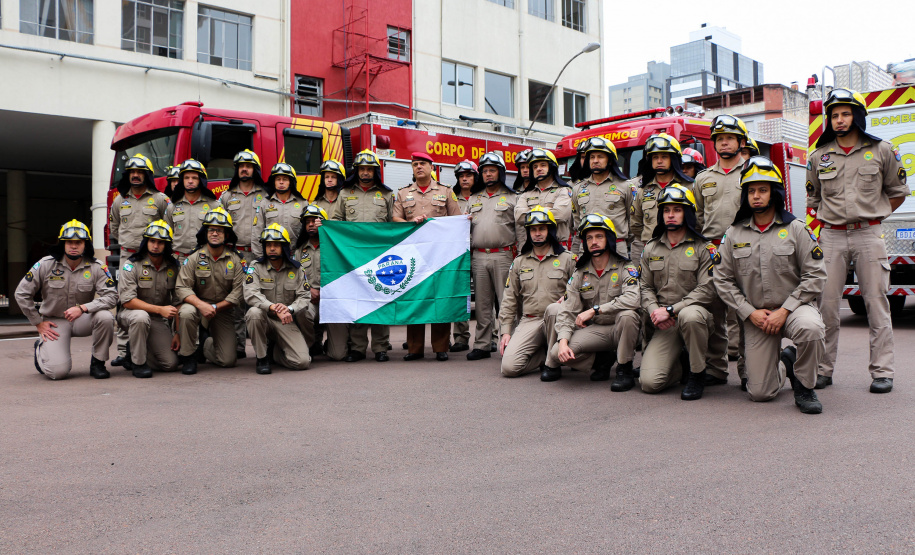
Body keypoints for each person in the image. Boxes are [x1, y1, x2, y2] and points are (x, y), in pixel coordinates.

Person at [807, 88, 909, 393]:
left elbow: (897, 192)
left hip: (868, 235)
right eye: (834, 115)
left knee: (877, 304)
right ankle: (823, 370)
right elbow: (813, 198)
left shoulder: (882, 151)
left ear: (857, 115)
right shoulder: (818, 156)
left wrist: (873, 217)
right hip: (832, 236)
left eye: (845, 113)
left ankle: (882, 372)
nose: (839, 120)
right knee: (826, 306)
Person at [715, 157, 826, 413]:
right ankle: (787, 362)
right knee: (760, 393)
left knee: (811, 328)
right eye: (751, 190)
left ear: (774, 193)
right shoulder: (733, 234)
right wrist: (748, 312)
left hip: (794, 309)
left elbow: (816, 275)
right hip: (757, 316)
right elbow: (722, 279)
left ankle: (805, 387)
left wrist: (785, 310)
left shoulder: (796, 229)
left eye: (763, 190)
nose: (756, 196)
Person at [543, 214, 640, 388]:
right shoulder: (580, 272)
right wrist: (563, 342)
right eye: (589, 238)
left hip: (622, 329)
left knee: (628, 315)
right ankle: (600, 360)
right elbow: (567, 310)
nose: (593, 241)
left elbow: (633, 298)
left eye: (599, 236)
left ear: (609, 238)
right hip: (597, 332)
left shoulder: (626, 267)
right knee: (558, 353)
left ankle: (624, 369)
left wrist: (595, 310)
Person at [638, 185, 717, 399]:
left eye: (677, 210)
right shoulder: (651, 248)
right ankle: (680, 363)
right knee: (649, 383)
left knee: (689, 315)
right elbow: (644, 287)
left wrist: (672, 310)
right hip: (665, 322)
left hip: (695, 318)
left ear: (687, 212)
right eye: (666, 210)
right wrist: (656, 311)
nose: (670, 215)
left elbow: (707, 290)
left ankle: (697, 374)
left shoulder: (704, 248)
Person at [15, 220, 117, 380]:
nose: (74, 246)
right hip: (55, 322)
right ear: (62, 243)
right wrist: (37, 323)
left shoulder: (97, 266)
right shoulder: (45, 264)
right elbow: (21, 293)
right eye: (69, 242)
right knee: (57, 372)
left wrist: (83, 308)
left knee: (105, 317)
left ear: (86, 244)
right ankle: (41, 349)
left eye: (78, 242)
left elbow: (112, 296)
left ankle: (98, 362)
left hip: (83, 318)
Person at [692, 114, 750, 388]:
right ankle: (716, 368)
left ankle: (749, 370)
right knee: (714, 310)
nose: (724, 143)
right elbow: (699, 217)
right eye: (719, 139)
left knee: (745, 310)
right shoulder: (703, 178)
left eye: (730, 138)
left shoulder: (754, 171)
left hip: (747, 248)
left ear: (740, 141)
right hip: (713, 250)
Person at [393, 152, 463, 361]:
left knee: (439, 298)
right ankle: (414, 349)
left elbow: (457, 220)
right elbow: (395, 218)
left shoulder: (446, 191)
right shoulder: (403, 193)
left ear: (432, 167)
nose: (418, 167)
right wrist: (410, 221)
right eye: (415, 164)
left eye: (422, 163)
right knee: (415, 299)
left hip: (440, 254)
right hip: (413, 254)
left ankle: (441, 347)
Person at [332, 149, 395, 362]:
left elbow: (392, 225)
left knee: (380, 299)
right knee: (357, 300)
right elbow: (338, 222)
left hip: (379, 257)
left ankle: (380, 347)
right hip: (353, 257)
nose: (366, 172)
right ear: (356, 170)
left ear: (375, 171)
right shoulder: (345, 193)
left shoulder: (387, 194)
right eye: (362, 169)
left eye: (370, 169)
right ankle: (358, 348)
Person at [499, 206, 577, 378]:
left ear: (550, 230)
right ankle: (546, 356)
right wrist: (505, 331)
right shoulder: (519, 262)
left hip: (559, 320)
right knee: (509, 368)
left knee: (554, 311)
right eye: (533, 230)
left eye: (542, 228)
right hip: (531, 321)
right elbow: (509, 298)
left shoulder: (568, 259)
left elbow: (580, 294)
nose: (537, 233)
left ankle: (554, 359)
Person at [108, 153, 169, 367]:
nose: (135, 175)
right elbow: (115, 227)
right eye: (132, 172)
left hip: (152, 255)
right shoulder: (119, 199)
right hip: (128, 255)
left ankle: (150, 347)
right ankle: (125, 351)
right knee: (126, 302)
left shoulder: (160, 199)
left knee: (155, 296)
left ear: (147, 175)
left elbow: (167, 225)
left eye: (140, 172)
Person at [175, 207, 246, 374]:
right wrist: (201, 305)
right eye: (211, 230)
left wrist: (215, 308)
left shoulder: (236, 260)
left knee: (228, 361)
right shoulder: (193, 258)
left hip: (222, 310)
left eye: (219, 230)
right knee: (186, 312)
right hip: (197, 308)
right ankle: (189, 356)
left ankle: (205, 344)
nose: (215, 233)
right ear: (205, 233)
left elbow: (238, 293)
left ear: (226, 234)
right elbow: (182, 287)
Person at [465, 152, 517, 361]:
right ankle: (483, 344)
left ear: (500, 173)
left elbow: (520, 229)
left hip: (503, 256)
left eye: (492, 170)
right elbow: (466, 229)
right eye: (485, 171)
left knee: (507, 302)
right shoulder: (473, 198)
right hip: (478, 256)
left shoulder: (513, 198)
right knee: (483, 304)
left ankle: (511, 343)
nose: (488, 174)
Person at [219, 149, 268, 358]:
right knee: (236, 302)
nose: (244, 169)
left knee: (259, 300)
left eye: (248, 166)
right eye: (241, 166)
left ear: (254, 169)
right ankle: (238, 347)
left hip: (259, 255)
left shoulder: (266, 195)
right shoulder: (227, 197)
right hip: (235, 256)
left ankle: (263, 348)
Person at [245, 223, 312, 374]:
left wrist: (289, 309)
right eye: (268, 245)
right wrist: (273, 307)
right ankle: (262, 358)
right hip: (265, 318)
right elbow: (251, 293)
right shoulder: (255, 266)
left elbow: (304, 296)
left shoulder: (297, 268)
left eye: (276, 244)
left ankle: (275, 354)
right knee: (253, 313)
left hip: (286, 320)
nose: (272, 248)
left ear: (285, 247)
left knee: (302, 362)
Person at [117, 220, 180, 378]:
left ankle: (134, 353)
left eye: (160, 242)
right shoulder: (132, 265)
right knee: (141, 317)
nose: (156, 246)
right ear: (146, 242)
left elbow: (178, 302)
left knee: (170, 364)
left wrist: (177, 333)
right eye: (152, 241)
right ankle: (138, 364)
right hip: (130, 315)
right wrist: (160, 309)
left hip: (156, 320)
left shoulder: (173, 267)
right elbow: (127, 300)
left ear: (167, 245)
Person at [293, 205, 349, 361]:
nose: (311, 224)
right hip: (309, 298)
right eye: (307, 222)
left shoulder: (335, 247)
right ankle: (312, 343)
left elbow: (344, 275)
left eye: (315, 221)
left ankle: (332, 343)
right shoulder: (299, 251)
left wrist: (326, 292)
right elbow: (294, 278)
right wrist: (308, 290)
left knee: (338, 355)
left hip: (332, 300)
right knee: (300, 310)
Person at [630, 133, 694, 266]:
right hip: (651, 252)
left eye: (664, 156)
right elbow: (635, 224)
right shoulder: (642, 190)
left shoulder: (689, 187)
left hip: (683, 250)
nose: (659, 161)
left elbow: (699, 219)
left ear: (674, 159)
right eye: (655, 157)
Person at [570, 137, 632, 256]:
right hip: (587, 250)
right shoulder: (578, 189)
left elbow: (633, 222)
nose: (595, 161)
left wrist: (620, 240)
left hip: (616, 249)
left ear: (610, 160)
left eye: (600, 157)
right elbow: (577, 222)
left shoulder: (626, 186)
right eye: (592, 157)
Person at [450, 159, 484, 353]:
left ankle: (489, 337)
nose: (464, 179)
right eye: (461, 176)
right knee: (459, 296)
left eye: (469, 175)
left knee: (484, 297)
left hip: (478, 252)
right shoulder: (451, 198)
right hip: (457, 255)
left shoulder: (482, 197)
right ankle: (461, 338)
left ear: (475, 177)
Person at [513, 149, 574, 250]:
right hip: (532, 249)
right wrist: (549, 210)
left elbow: (561, 214)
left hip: (557, 249)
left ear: (552, 167)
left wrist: (530, 213)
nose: (538, 169)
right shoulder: (526, 193)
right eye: (535, 167)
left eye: (543, 165)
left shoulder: (563, 190)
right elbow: (518, 216)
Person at [165, 159, 220, 265]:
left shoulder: (214, 206)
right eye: (186, 178)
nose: (190, 181)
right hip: (178, 261)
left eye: (194, 178)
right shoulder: (172, 206)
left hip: (205, 260)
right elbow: (167, 236)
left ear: (201, 180)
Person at [254, 162, 307, 247]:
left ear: (291, 182)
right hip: (272, 256)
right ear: (273, 182)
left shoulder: (303, 203)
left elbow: (307, 234)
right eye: (278, 179)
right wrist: (261, 258)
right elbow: (257, 233)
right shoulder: (264, 203)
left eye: (285, 179)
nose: (281, 182)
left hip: (295, 255)